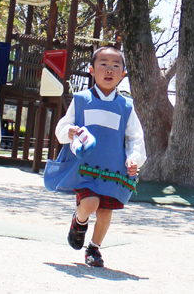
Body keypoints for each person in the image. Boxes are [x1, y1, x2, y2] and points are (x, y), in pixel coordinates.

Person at [53, 45, 146, 267]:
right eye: (103, 64)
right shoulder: (81, 99)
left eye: (116, 66)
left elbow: (136, 137)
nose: (109, 70)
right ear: (92, 69)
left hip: (114, 169)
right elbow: (62, 127)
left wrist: (134, 159)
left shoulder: (126, 106)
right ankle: (79, 220)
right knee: (90, 201)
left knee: (105, 213)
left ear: (123, 74)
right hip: (86, 168)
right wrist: (70, 131)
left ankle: (94, 248)